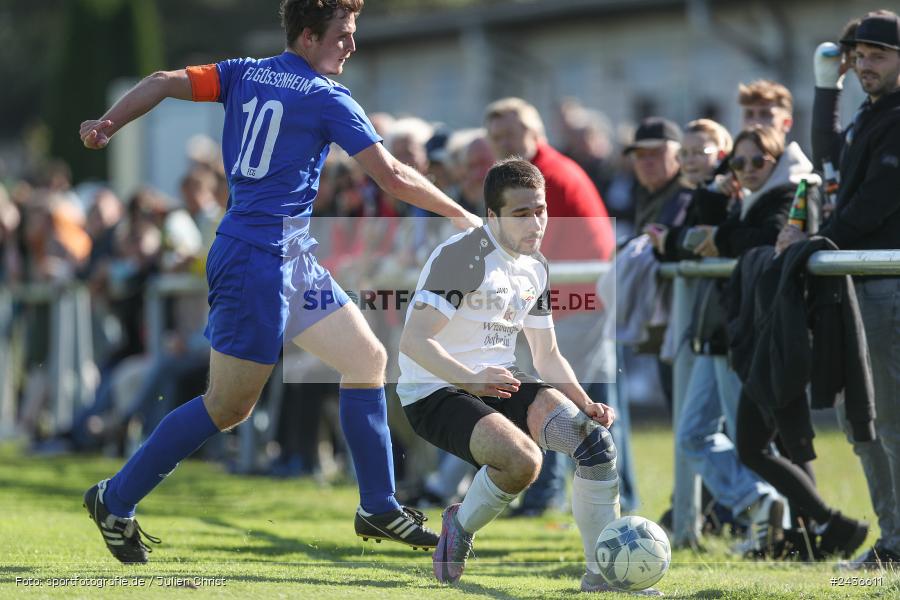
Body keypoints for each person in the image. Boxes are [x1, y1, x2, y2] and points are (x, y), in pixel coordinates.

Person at [78, 0, 481, 563]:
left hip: (289, 257)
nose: (352, 44)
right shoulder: (326, 97)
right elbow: (391, 175)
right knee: (227, 406)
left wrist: (107, 125)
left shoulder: (242, 71)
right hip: (258, 261)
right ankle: (114, 499)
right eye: (343, 33)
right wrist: (462, 215)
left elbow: (162, 81)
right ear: (310, 36)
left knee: (366, 360)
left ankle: (378, 505)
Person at [397, 159, 660, 595]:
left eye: (539, 209)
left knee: (595, 444)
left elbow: (548, 353)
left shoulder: (535, 266)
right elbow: (414, 341)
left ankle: (604, 576)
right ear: (492, 217)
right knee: (523, 462)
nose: (535, 222)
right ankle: (459, 525)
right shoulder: (463, 255)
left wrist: (583, 402)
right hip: (434, 389)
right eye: (521, 213)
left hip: (498, 380)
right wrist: (471, 378)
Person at [777, 9, 900, 568]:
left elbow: (875, 207)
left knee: (890, 421)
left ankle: (897, 545)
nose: (866, 64)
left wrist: (814, 244)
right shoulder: (871, 115)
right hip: (857, 284)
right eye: (860, 56)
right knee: (865, 425)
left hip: (886, 288)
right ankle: (893, 541)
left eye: (878, 54)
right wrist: (828, 87)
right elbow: (827, 155)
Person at [484, 97, 616, 517]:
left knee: (554, 395)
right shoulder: (541, 173)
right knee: (591, 400)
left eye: (511, 135)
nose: (504, 144)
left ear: (535, 133)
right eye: (497, 138)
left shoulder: (541, 178)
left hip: (575, 298)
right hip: (576, 295)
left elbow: (527, 251)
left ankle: (546, 494)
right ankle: (606, 491)